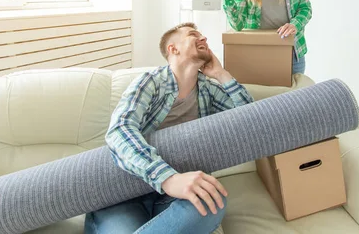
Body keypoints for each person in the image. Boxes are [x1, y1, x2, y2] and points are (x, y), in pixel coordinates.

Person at [84, 22, 254, 234]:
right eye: (194, 35)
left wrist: (221, 74)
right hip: (126, 193)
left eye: (203, 35)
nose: (204, 39)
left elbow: (251, 123)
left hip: (177, 197)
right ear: (173, 49)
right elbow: (120, 130)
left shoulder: (209, 90)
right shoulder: (150, 82)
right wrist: (167, 178)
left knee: (212, 200)